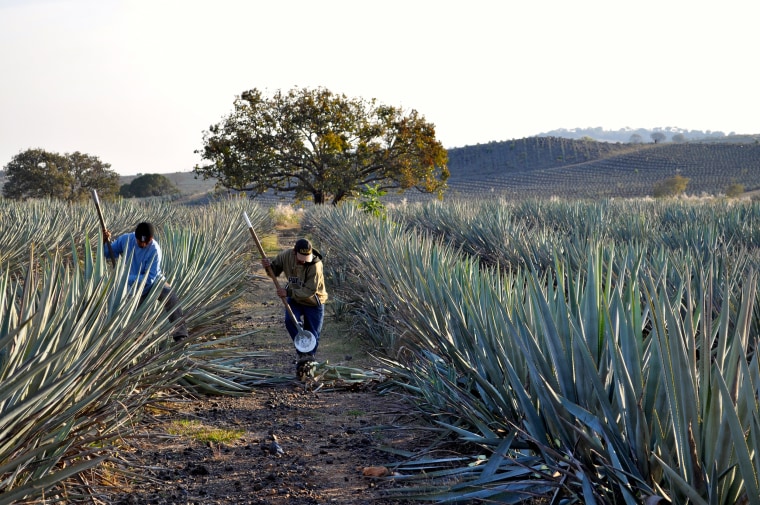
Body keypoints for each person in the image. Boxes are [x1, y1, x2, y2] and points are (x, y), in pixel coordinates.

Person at [103, 222, 189, 342]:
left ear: (151, 239)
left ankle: (180, 335)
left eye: (146, 242)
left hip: (154, 284)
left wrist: (125, 278)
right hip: (134, 288)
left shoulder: (155, 249)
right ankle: (137, 343)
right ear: (135, 236)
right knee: (135, 321)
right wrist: (105, 242)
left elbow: (150, 279)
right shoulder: (126, 240)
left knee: (170, 295)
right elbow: (107, 254)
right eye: (139, 241)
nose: (142, 244)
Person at [261, 238, 328, 362]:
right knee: (290, 321)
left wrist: (288, 292)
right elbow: (274, 272)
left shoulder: (315, 265)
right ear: (294, 252)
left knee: (312, 333)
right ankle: (303, 354)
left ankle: (309, 360)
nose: (303, 262)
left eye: (305, 260)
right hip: (295, 299)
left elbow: (309, 291)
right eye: (300, 259)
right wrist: (268, 267)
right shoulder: (286, 256)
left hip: (313, 301)